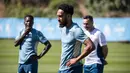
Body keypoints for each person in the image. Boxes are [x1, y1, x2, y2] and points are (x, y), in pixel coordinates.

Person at [56, 4, 95, 73]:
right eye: (57, 16)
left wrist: (76, 59)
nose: (58, 19)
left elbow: (91, 46)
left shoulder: (76, 30)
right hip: (62, 69)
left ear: (68, 16)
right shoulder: (62, 28)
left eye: (60, 16)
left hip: (73, 69)